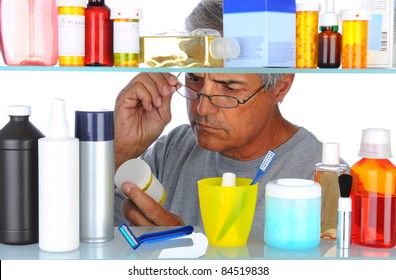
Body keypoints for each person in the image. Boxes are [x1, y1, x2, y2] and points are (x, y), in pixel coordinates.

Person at [114, 0, 323, 227]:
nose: (202, 109)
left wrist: (185, 250)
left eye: (229, 88)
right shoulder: (173, 149)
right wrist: (118, 152)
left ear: (280, 88)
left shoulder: (321, 176)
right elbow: (85, 232)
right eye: (194, 78)